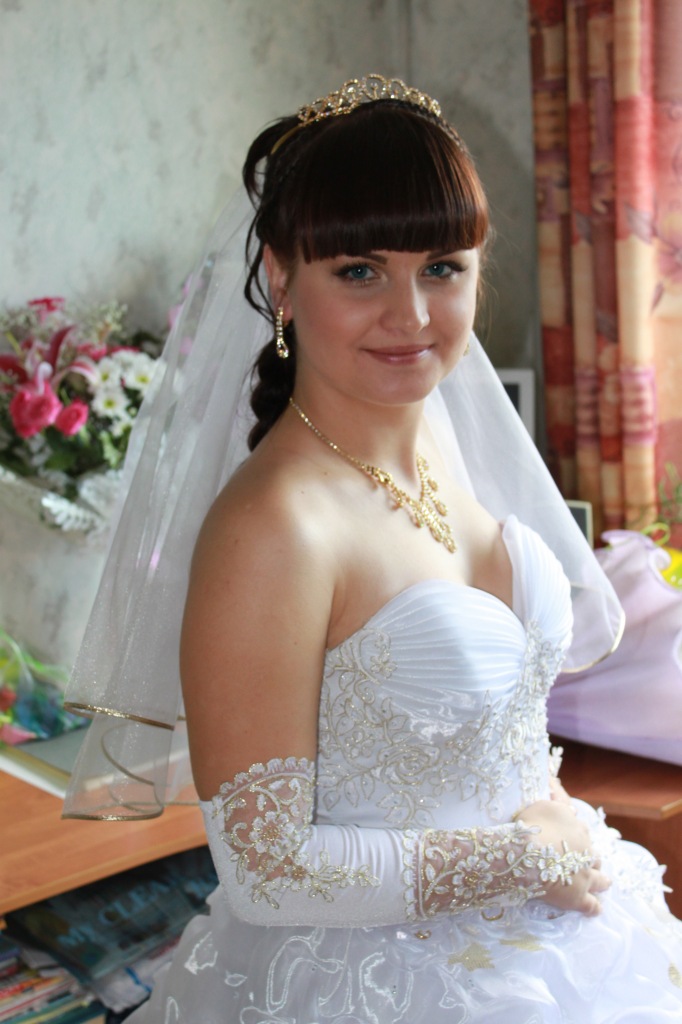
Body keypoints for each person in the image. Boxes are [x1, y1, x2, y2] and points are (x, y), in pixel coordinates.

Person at [63, 76, 682, 1022]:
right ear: (282, 280)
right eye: (360, 271)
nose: (413, 316)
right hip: (375, 983)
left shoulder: (442, 435)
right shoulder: (273, 528)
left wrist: (548, 828)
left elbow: (491, 728)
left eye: (442, 268)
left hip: (563, 940)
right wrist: (527, 857)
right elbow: (266, 869)